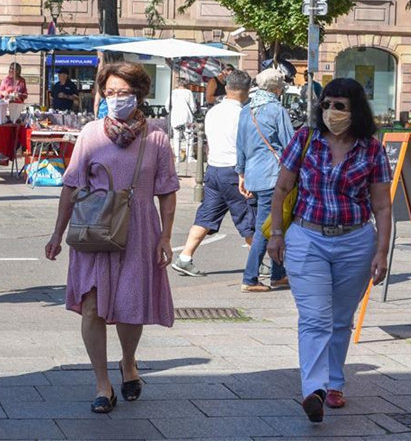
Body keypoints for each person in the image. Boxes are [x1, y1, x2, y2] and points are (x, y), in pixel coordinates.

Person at [44, 62, 179, 414]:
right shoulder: (90, 134)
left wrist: (166, 237)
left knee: (131, 307)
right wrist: (57, 233)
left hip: (138, 231)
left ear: (139, 94)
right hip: (94, 229)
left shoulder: (156, 138)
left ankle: (128, 362)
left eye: (124, 92)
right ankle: (102, 384)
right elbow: (71, 185)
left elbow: (167, 191)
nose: (116, 98)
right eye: (110, 92)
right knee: (92, 308)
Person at [267, 77, 392, 423]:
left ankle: (334, 383)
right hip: (307, 238)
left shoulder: (371, 149)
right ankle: (314, 389)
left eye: (340, 106)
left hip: (355, 241)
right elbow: (281, 189)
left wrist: (382, 251)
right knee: (315, 317)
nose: (331, 112)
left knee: (340, 318)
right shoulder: (305, 139)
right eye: (326, 104)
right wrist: (276, 234)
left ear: (356, 110)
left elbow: (382, 206)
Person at [172, 70, 254, 277]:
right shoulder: (243, 114)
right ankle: (258, 264)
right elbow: (247, 146)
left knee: (206, 216)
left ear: (226, 88)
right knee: (247, 217)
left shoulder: (213, 112)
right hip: (234, 171)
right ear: (247, 90)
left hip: (214, 169)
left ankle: (185, 257)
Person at [236, 68, 294, 292]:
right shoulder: (277, 110)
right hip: (273, 175)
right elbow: (290, 145)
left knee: (273, 223)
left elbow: (240, 145)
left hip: (253, 174)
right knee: (266, 227)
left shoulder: (246, 110)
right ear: (277, 89)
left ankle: (278, 274)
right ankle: (250, 278)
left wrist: (241, 173)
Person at [168, 78, 197, 159]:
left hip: (175, 117)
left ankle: (177, 156)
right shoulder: (188, 92)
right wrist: (192, 113)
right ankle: (189, 156)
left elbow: (167, 105)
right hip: (186, 117)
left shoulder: (173, 92)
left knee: (176, 137)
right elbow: (193, 106)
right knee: (189, 136)